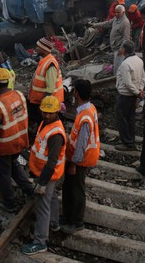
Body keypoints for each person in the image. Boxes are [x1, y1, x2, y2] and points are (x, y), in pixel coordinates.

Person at [21, 96, 66, 255]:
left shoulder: (56, 134)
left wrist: (42, 183)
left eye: (50, 113)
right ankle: (54, 223)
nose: (46, 115)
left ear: (56, 112)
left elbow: (51, 162)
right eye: (44, 112)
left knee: (42, 207)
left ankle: (40, 242)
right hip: (43, 172)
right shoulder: (46, 123)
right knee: (51, 198)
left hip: (47, 175)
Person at [0, 67, 33, 213]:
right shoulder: (19, 95)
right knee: (14, 165)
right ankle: (29, 190)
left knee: (4, 173)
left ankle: (9, 202)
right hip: (20, 141)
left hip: (5, 146)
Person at [61, 80, 100, 234]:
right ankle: (69, 216)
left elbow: (82, 143)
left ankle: (77, 222)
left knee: (76, 190)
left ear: (76, 93)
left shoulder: (85, 116)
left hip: (80, 160)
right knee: (70, 188)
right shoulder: (89, 108)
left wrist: (73, 164)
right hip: (78, 158)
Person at [114, 40, 145, 151]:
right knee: (130, 118)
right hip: (134, 95)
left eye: (121, 48)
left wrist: (137, 92)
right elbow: (143, 77)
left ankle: (126, 143)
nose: (120, 49)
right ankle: (130, 140)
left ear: (124, 50)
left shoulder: (125, 64)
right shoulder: (139, 60)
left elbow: (127, 83)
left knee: (122, 118)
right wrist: (140, 90)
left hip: (125, 95)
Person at [28, 37, 64, 122]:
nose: (36, 49)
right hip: (43, 103)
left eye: (38, 46)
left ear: (44, 49)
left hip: (49, 105)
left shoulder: (50, 64)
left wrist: (43, 107)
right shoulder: (45, 61)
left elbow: (50, 89)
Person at [90, 4, 131, 74]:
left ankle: (118, 81)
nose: (116, 14)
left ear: (123, 12)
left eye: (118, 12)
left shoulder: (125, 23)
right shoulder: (115, 19)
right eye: (115, 12)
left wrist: (122, 49)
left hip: (119, 49)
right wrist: (94, 25)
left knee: (118, 69)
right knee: (117, 67)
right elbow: (107, 24)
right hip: (115, 48)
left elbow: (126, 38)